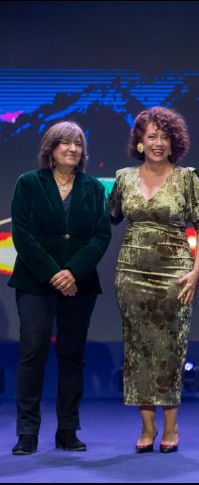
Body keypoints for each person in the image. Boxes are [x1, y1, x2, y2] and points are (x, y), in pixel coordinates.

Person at [108, 107, 199, 454]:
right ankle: (146, 427)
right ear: (139, 141)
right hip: (131, 275)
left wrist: (196, 272)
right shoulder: (123, 178)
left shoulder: (187, 178)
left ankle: (171, 427)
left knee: (170, 349)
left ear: (174, 142)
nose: (157, 142)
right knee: (137, 348)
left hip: (176, 275)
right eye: (151, 136)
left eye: (164, 136)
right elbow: (108, 215)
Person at [8, 120, 111, 455]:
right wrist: (54, 273)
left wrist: (73, 272)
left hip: (79, 285)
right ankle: (27, 432)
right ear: (50, 149)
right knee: (33, 352)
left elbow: (100, 236)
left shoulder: (93, 189)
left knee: (72, 356)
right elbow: (23, 235)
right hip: (36, 282)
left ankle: (67, 429)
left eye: (78, 144)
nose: (72, 149)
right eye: (65, 143)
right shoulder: (28, 184)